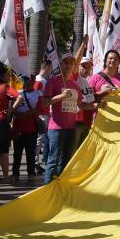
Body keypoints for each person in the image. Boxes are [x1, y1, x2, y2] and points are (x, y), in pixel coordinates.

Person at [43, 55, 81, 183]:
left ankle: (60, 189)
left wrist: (97, 104)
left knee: (66, 162)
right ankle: (47, 191)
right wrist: (60, 96)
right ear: (60, 64)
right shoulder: (52, 81)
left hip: (71, 128)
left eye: (71, 62)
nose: (68, 65)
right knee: (53, 161)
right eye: (66, 62)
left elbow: (81, 104)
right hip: (56, 129)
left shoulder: (75, 85)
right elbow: (44, 102)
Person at [10, 75, 41, 182]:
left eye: (31, 80)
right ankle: (15, 173)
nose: (28, 82)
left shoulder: (38, 93)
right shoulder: (17, 93)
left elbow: (39, 108)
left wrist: (28, 113)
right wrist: (20, 114)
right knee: (17, 152)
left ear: (34, 81)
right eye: (26, 80)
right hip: (18, 127)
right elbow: (11, 109)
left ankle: (31, 173)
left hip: (31, 127)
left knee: (30, 152)